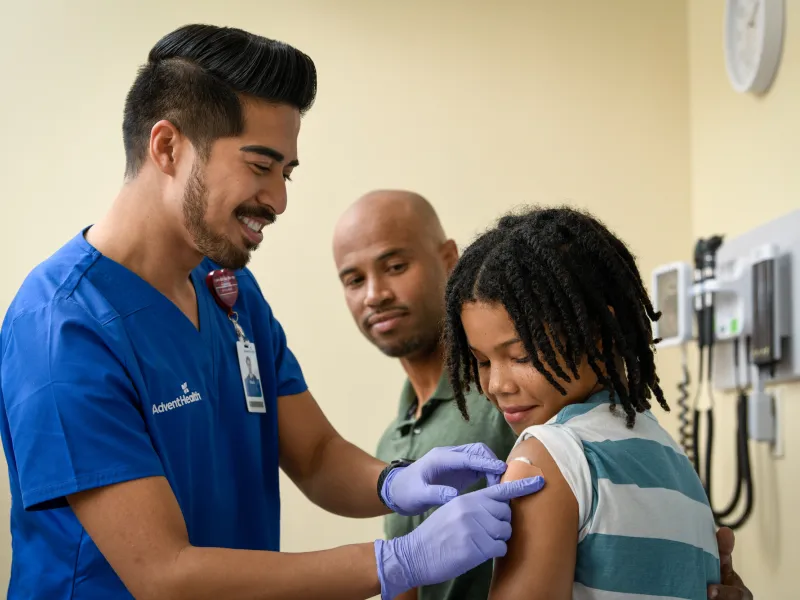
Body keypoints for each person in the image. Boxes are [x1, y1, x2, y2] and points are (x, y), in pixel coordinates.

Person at [0, 24, 547, 599]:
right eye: (260, 166)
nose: (279, 200)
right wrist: (398, 559)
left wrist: (394, 482)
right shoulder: (62, 328)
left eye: (286, 172)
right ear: (167, 147)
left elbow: (314, 455)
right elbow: (165, 574)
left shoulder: (229, 290)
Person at [442, 205, 754, 600]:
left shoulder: (547, 458)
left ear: (595, 335)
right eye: (482, 361)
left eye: (521, 356)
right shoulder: (671, 457)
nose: (497, 385)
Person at [332, 191, 518, 600]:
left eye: (395, 267)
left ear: (449, 259)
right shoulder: (391, 444)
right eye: (354, 280)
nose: (374, 295)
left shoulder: (508, 398)